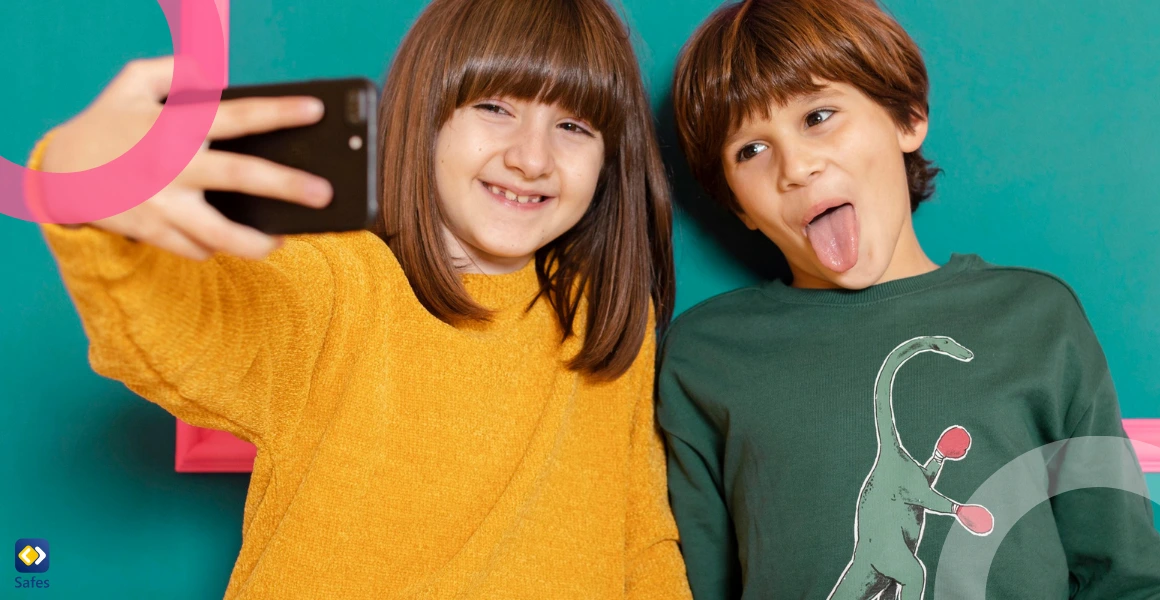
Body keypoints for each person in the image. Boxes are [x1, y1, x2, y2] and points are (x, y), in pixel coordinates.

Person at [30, 0, 691, 597]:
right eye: (495, 107)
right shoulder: (338, 284)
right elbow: (175, 328)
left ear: (611, 159)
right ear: (425, 115)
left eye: (574, 126)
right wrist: (85, 181)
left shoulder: (607, 316)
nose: (532, 157)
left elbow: (641, 536)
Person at [659, 0, 1160, 598]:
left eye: (819, 116)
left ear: (906, 118)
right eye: (749, 150)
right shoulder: (704, 356)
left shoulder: (1035, 317)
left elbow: (1129, 577)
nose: (797, 166)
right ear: (735, 204)